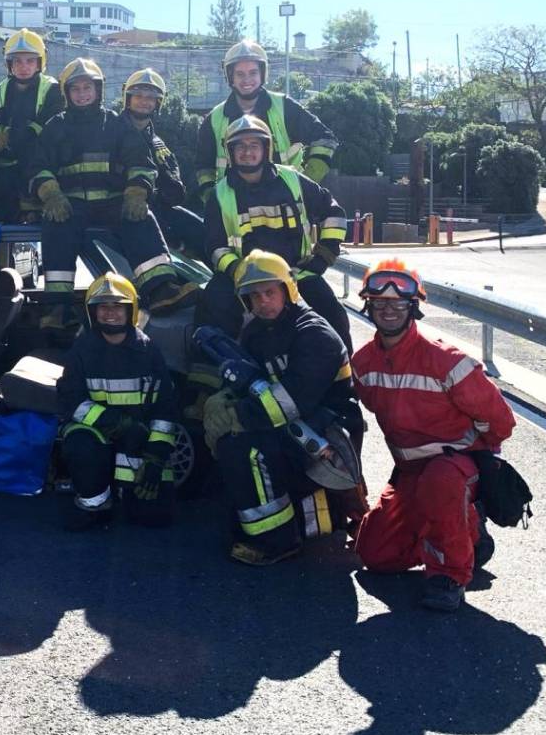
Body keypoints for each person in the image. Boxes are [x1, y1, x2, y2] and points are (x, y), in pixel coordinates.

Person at [351, 259, 516, 611]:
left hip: (453, 469)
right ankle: (464, 535)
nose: (389, 309)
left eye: (399, 303)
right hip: (410, 472)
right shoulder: (363, 363)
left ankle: (450, 573)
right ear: (369, 305)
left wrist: (476, 460)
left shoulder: (446, 360)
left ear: (414, 308)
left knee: (440, 484)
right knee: (374, 555)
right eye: (380, 303)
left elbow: (500, 420)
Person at [202, 251, 364, 566]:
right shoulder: (257, 332)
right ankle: (277, 519)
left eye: (269, 292)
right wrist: (223, 400)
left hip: (327, 433)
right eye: (254, 296)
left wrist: (237, 417)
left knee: (244, 449)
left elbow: (289, 402)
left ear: (287, 290)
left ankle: (277, 540)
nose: (263, 301)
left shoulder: (314, 334)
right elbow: (253, 385)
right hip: (292, 424)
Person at [29, 57, 197, 325]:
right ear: (66, 93)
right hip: (70, 206)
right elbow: (37, 166)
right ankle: (56, 308)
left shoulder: (116, 124)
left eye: (88, 88)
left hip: (113, 204)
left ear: (98, 90)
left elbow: (140, 162)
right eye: (76, 89)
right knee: (56, 232)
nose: (82, 94)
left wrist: (136, 193)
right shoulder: (55, 127)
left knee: (142, 220)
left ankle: (162, 289)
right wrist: (51, 195)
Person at [197, 115, 353, 352]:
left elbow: (334, 212)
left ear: (266, 148)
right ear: (230, 152)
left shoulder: (292, 180)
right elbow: (215, 247)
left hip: (296, 273)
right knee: (211, 306)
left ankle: (345, 381)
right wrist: (237, 270)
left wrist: (323, 257)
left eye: (254, 145)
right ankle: (209, 381)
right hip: (244, 278)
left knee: (333, 315)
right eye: (240, 146)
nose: (247, 152)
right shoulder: (218, 195)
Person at [55, 272, 180, 530]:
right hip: (96, 432)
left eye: (117, 306)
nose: (109, 313)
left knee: (153, 517)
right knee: (81, 444)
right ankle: (94, 507)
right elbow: (71, 401)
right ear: (92, 312)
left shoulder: (149, 351)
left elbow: (165, 409)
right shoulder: (81, 351)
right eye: (103, 306)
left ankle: (125, 491)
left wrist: (156, 456)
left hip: (139, 439)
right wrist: (118, 424)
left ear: (130, 310)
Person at [191, 38, 338, 207]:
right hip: (234, 206)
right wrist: (213, 199)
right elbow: (203, 167)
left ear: (263, 74)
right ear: (230, 76)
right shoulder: (214, 119)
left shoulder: (284, 107)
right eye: (240, 74)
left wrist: (306, 183)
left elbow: (325, 140)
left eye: (253, 72)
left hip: (286, 202)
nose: (247, 79)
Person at [0, 28, 64, 224]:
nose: (24, 66)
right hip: (3, 174)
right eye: (17, 61)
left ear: (40, 62)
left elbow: (50, 129)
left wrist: (9, 138)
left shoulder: (53, 91)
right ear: (9, 64)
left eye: (30, 60)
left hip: (39, 171)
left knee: (47, 225)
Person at [118, 67, 208, 263]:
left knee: (205, 235)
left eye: (151, 97)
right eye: (138, 95)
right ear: (128, 98)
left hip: (161, 210)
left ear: (158, 103)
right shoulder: (112, 132)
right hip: (124, 212)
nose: (144, 101)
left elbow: (174, 187)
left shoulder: (157, 141)